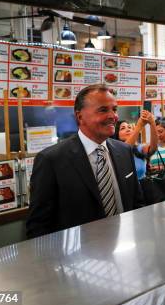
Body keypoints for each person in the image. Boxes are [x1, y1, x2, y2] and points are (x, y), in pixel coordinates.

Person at [26, 84, 144, 239]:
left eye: (114, 109)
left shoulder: (124, 150)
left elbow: (137, 203)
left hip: (125, 245)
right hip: (77, 258)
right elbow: (38, 226)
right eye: (103, 110)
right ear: (80, 116)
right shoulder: (51, 160)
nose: (113, 116)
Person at [113, 110, 158, 180]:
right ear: (116, 134)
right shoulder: (114, 150)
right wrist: (139, 126)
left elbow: (153, 148)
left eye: (129, 127)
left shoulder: (139, 148)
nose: (128, 129)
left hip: (143, 188)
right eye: (123, 128)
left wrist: (152, 123)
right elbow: (125, 149)